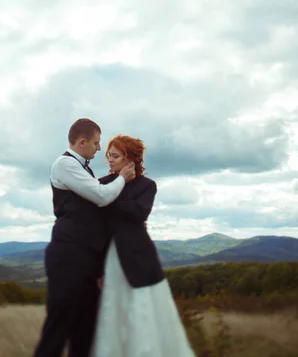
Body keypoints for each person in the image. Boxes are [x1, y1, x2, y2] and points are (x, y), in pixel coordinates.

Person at [34, 119, 136, 357]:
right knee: (58, 329)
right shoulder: (64, 164)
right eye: (96, 142)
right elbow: (101, 196)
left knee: (85, 330)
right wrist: (122, 178)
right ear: (82, 142)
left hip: (86, 261)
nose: (99, 148)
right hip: (68, 256)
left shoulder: (83, 169)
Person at [90, 135, 195, 357]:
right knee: (113, 312)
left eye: (115, 156)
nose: (109, 160)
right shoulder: (101, 184)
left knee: (143, 311)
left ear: (131, 159)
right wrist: (97, 268)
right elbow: (99, 226)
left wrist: (111, 198)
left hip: (140, 257)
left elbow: (139, 212)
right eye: (109, 155)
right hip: (110, 257)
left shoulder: (147, 185)